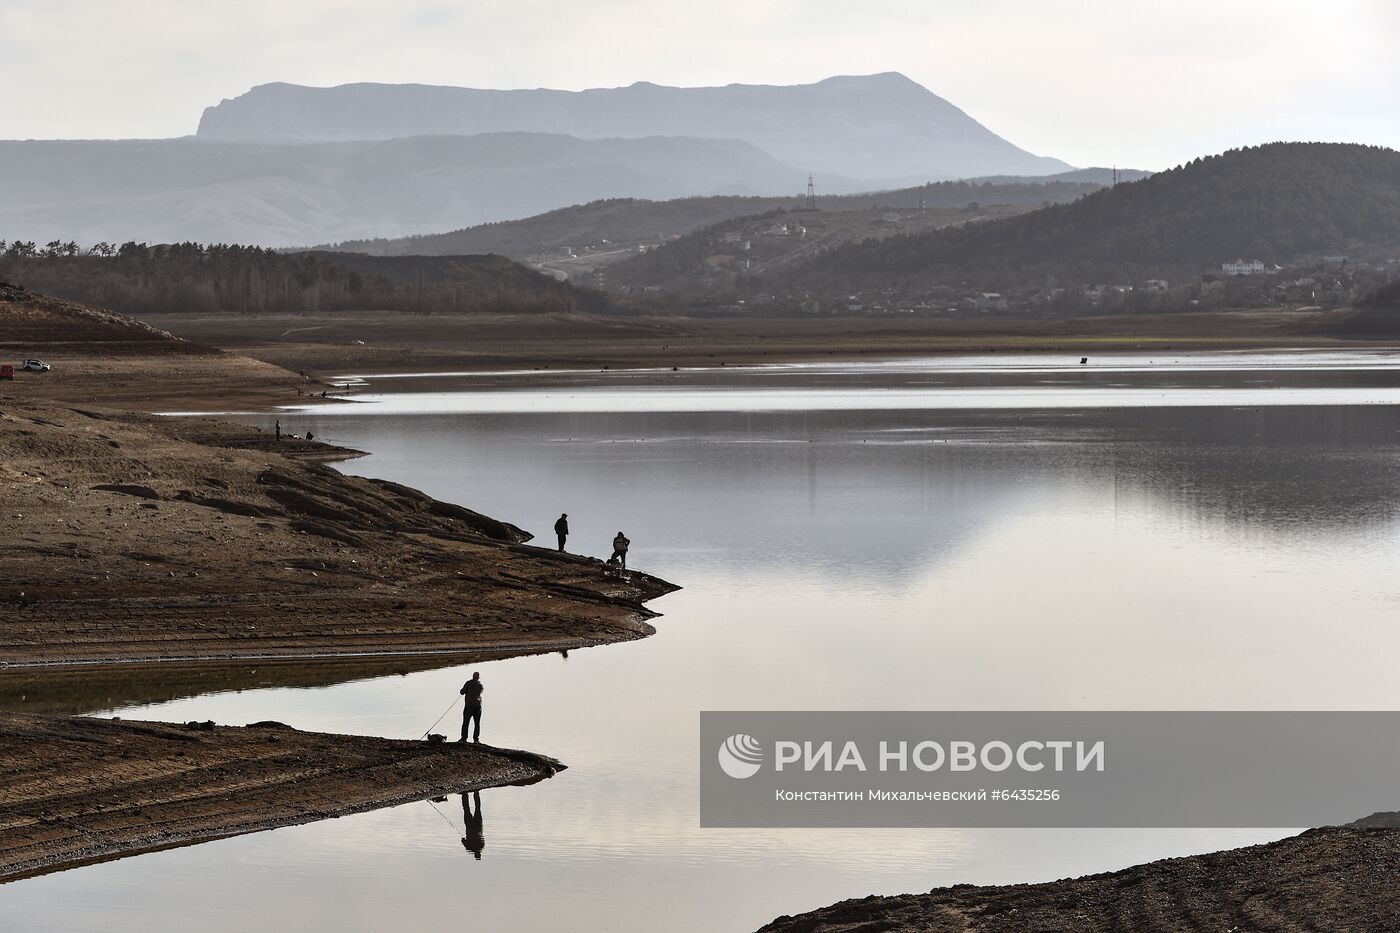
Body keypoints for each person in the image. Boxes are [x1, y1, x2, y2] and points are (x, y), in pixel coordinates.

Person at [460, 672, 483, 743]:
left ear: (473, 676)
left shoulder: (469, 683)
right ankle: (476, 739)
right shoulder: (480, 685)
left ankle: (464, 739)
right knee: (477, 723)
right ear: (478, 677)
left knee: (466, 722)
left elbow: (462, 692)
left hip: (469, 706)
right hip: (478, 706)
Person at [460, 791, 485, 860]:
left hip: (478, 826)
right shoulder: (469, 848)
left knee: (477, 808)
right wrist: (464, 839)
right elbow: (463, 841)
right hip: (470, 827)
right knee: (466, 809)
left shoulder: (481, 846)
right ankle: (465, 794)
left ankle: (476, 793)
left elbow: (482, 838)